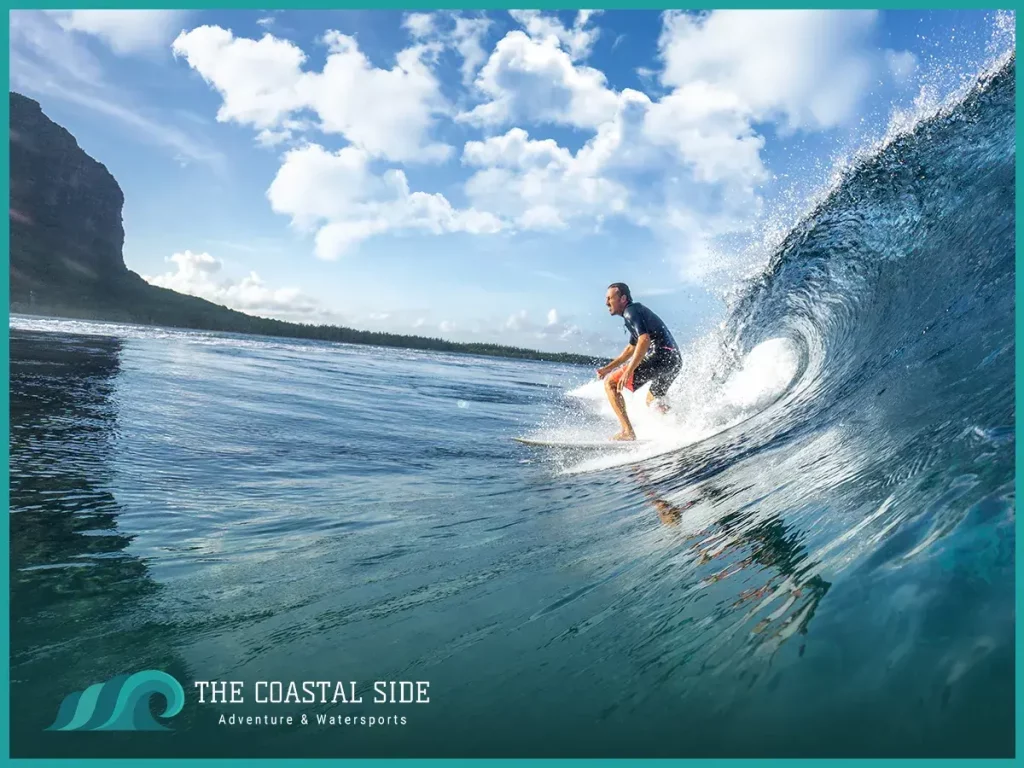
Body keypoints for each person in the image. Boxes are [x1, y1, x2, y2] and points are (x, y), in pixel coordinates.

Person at [596, 282, 682, 441]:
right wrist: (607, 368)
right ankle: (682, 426)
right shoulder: (636, 312)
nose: (606, 302)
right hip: (674, 361)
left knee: (610, 384)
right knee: (653, 401)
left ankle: (627, 431)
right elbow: (630, 349)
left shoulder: (630, 312)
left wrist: (628, 371)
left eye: (609, 298)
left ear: (622, 298)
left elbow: (644, 340)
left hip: (660, 356)